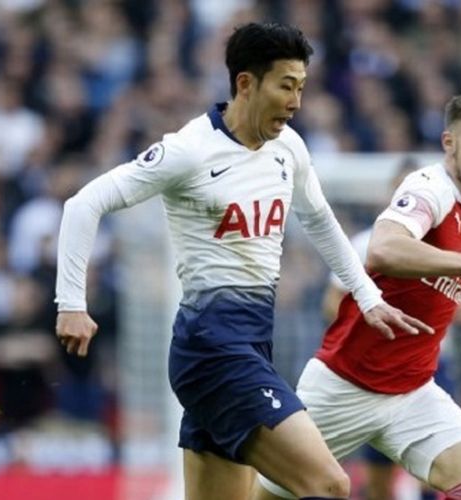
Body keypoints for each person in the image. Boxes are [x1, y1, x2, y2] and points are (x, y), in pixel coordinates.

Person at [54, 22, 430, 500]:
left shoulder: (289, 148)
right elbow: (84, 204)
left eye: (301, 87)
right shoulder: (189, 151)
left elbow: (319, 220)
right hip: (212, 349)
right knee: (330, 485)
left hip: (250, 344)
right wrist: (71, 302)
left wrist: (368, 296)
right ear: (246, 83)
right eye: (285, 86)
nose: (295, 101)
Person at [257, 92, 461, 500]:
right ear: (449, 142)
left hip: (413, 391)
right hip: (344, 386)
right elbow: (385, 249)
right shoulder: (429, 187)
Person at [320, 156, 447, 500]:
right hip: (374, 366)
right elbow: (331, 302)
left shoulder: (444, 247)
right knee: (378, 476)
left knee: (436, 468)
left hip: (430, 365)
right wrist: (372, 320)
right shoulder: (365, 243)